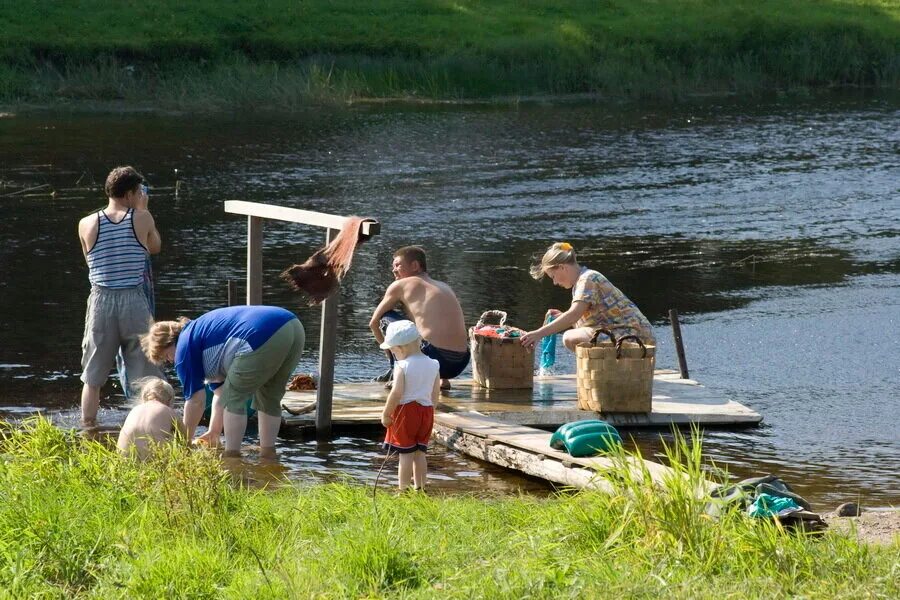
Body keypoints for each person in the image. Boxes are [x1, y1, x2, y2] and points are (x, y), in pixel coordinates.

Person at [141, 305, 304, 458]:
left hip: (262, 333)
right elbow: (220, 394)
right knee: (269, 397)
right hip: (292, 325)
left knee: (235, 399)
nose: (171, 362)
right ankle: (268, 456)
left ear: (168, 343)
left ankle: (232, 457)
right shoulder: (201, 337)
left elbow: (195, 401)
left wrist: (184, 443)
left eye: (167, 357)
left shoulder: (184, 347)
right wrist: (214, 431)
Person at [77, 166, 163, 426]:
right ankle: (147, 428)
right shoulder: (141, 217)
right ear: (129, 193)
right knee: (145, 371)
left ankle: (88, 429)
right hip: (133, 301)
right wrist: (144, 209)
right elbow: (155, 247)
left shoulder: (86, 223)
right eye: (137, 191)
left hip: (100, 301)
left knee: (92, 377)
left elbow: (89, 261)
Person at [520, 242, 655, 352]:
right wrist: (563, 317)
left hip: (635, 336)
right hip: (629, 333)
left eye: (553, 277)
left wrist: (538, 334)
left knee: (569, 337)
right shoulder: (581, 281)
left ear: (562, 267)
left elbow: (574, 314)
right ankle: (604, 372)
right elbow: (589, 321)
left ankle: (604, 373)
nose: (555, 283)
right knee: (573, 335)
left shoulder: (587, 279)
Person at [369, 246, 469, 390]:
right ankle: (443, 380)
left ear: (415, 266)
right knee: (423, 324)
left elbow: (373, 322)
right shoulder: (444, 286)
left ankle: (397, 371)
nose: (394, 270)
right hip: (460, 363)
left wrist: (391, 356)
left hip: (434, 358)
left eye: (398, 265)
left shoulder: (400, 285)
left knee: (385, 317)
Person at [379, 320, 439, 492]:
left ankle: (402, 490)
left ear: (401, 348)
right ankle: (420, 488)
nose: (392, 354)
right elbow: (435, 393)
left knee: (405, 455)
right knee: (420, 454)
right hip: (426, 411)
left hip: (406, 412)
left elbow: (396, 393)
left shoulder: (402, 365)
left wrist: (386, 414)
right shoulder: (434, 364)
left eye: (392, 350)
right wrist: (431, 410)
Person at [117, 377, 187, 460]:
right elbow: (185, 442)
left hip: (124, 457)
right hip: (152, 458)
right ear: (169, 400)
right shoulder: (169, 411)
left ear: (144, 397)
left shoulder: (134, 410)